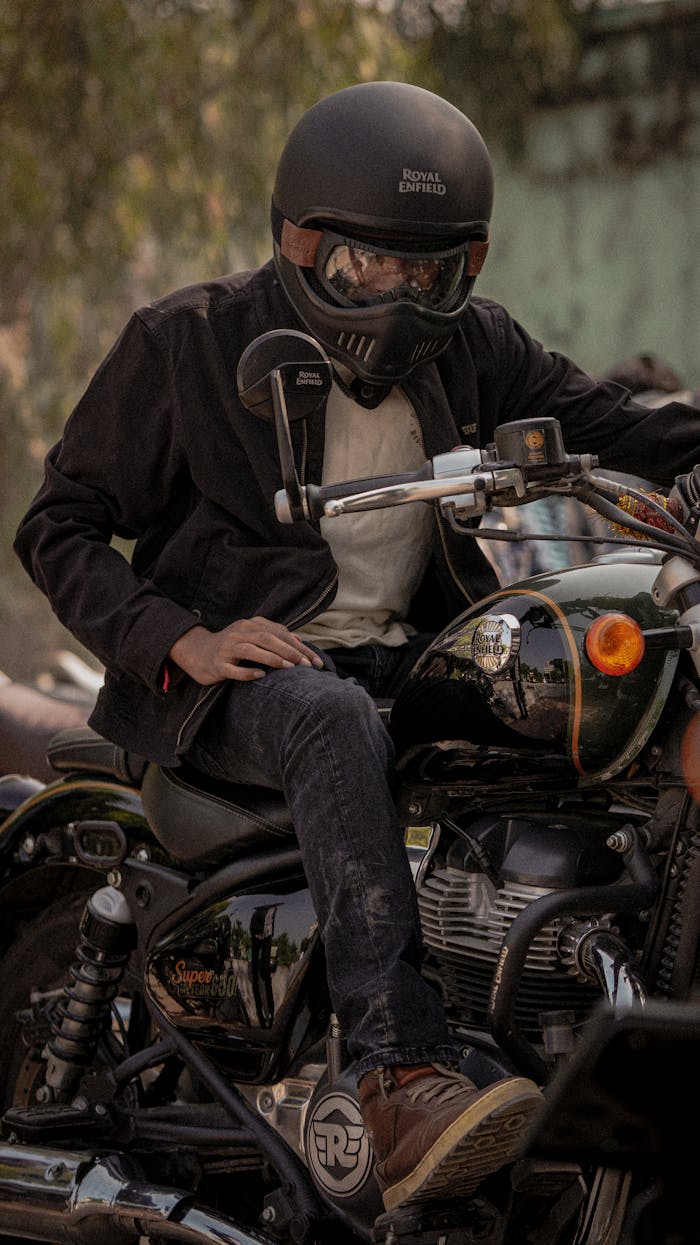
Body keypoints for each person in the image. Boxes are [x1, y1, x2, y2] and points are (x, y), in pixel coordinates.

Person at [14, 80, 700, 1213]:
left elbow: (619, 423)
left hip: (404, 657)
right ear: (296, 241)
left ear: (465, 265)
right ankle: (396, 1071)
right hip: (239, 685)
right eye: (362, 266)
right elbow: (59, 524)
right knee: (328, 710)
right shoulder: (184, 344)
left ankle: (551, 1005)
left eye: (426, 271)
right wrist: (180, 637)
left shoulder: (472, 351)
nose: (394, 293)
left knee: (579, 711)